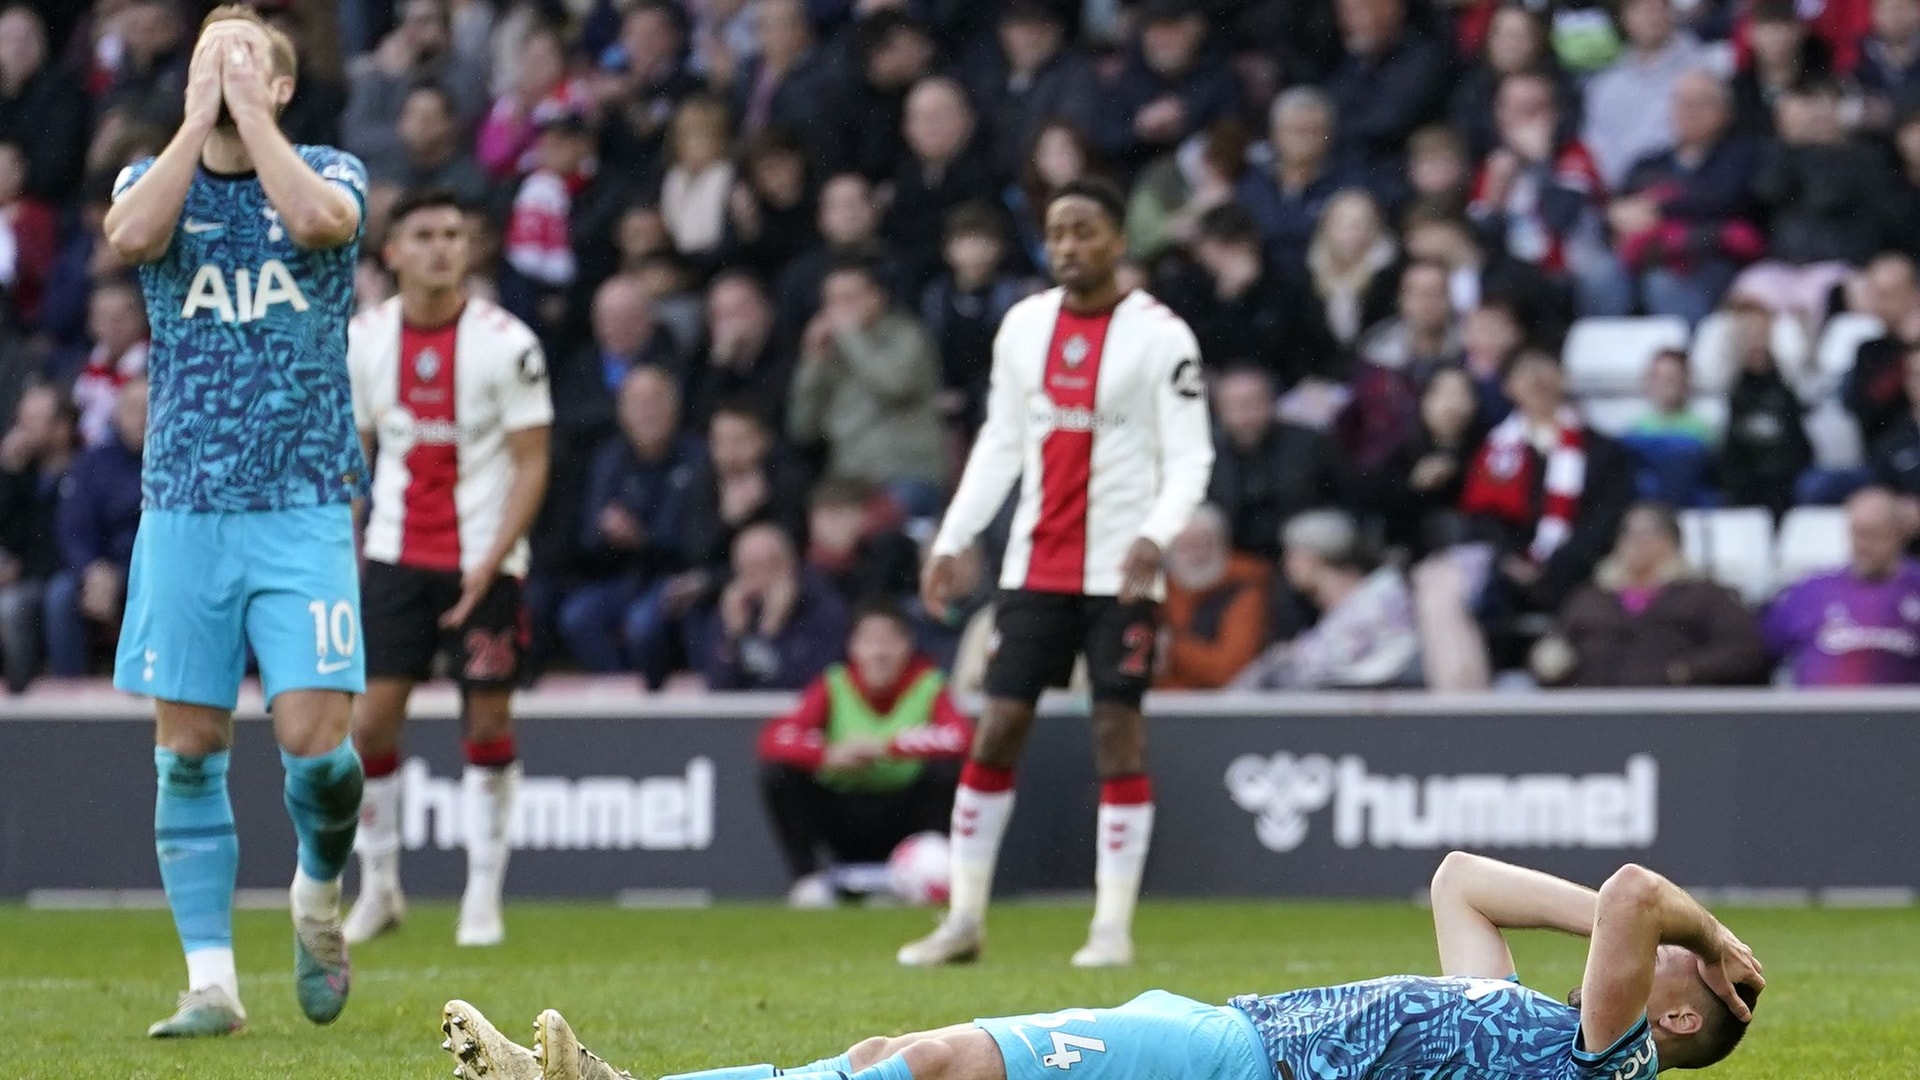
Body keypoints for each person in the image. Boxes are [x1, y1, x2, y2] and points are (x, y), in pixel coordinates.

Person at [437, 851, 1763, 1080]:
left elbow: (1636, 897)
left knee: (942, 1061)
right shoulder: (1516, 1025)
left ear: (1677, 1012)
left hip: (1239, 1062)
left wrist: (1706, 935)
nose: (1615, 942)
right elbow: (1460, 880)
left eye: (1652, 964)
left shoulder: (1608, 1056)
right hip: (1212, 1031)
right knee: (891, 1058)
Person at [102, 5, 370, 1037]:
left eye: (245, 57)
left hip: (301, 502)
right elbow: (132, 237)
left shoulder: (330, 170)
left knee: (315, 744)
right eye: (209, 57)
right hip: (185, 508)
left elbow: (317, 227)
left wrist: (252, 119)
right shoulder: (147, 177)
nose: (223, 71)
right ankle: (210, 982)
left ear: (285, 87)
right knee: (188, 744)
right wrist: (196, 119)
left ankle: (316, 893)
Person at [907, 178, 1214, 969]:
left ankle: (1110, 927)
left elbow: (1191, 455)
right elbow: (1000, 443)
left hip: (1122, 573)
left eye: (1084, 231)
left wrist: (1155, 533)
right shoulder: (1022, 328)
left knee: (1117, 729)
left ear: (1118, 241)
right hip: (1034, 567)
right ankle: (964, 919)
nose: (1069, 247)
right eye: (1057, 233)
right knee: (1000, 723)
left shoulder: (1161, 337)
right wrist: (954, 536)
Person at [342, 189, 552, 950]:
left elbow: (533, 465)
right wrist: (349, 551)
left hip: (485, 561)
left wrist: (492, 562)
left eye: (453, 235)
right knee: (369, 723)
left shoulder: (508, 342)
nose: (440, 248)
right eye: (424, 235)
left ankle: (482, 895)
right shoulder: (364, 339)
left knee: (489, 720)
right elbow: (357, 455)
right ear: (393, 252)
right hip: (396, 555)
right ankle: (381, 887)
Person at [757, 599, 972, 907]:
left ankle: (926, 871)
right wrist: (829, 754)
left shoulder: (929, 684)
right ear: (853, 647)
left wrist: (887, 748)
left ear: (907, 646)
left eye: (889, 641)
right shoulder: (834, 684)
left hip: (906, 815)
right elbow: (773, 738)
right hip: (844, 815)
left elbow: (961, 738)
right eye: (870, 641)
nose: (880, 653)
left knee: (947, 772)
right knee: (777, 774)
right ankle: (806, 881)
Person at [1532, 503, 1771, 688]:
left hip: (1675, 713)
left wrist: (1685, 670)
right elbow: (1556, 646)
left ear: (1673, 540)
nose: (1636, 541)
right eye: (1628, 532)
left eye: (1647, 531)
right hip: (1594, 713)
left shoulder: (1704, 594)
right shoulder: (1590, 597)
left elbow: (1744, 651)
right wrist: (1549, 660)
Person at [1232, 509, 1421, 690]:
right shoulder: (1350, 605)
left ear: (1312, 557)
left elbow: (1320, 665)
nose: (1285, 565)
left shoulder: (1379, 598)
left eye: (1291, 555)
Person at [1764, 487, 1920, 686]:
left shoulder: (1915, 587)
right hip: (1818, 712)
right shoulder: (1811, 590)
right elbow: (1763, 652)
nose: (1862, 545)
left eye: (1872, 534)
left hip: (1901, 714)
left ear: (1898, 534)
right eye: (1856, 533)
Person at [47, 375, 145, 678]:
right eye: (133, 409)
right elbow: (74, 529)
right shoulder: (92, 463)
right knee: (61, 596)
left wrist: (122, 575)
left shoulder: (177, 464)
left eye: (149, 409)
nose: (141, 418)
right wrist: (91, 570)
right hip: (101, 570)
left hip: (153, 571)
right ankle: (70, 698)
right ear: (116, 414)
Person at [702, 522, 849, 692]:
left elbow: (815, 685)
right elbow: (718, 687)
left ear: (792, 563)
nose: (764, 575)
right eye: (753, 567)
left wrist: (773, 629)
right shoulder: (734, 610)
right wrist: (733, 636)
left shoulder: (825, 609)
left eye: (773, 563)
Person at [1155, 506, 1270, 690]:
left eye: (1204, 544)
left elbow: (1230, 670)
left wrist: (1172, 648)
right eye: (1186, 546)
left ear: (1223, 546)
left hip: (1216, 709)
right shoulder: (1158, 596)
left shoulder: (1243, 591)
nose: (1196, 555)